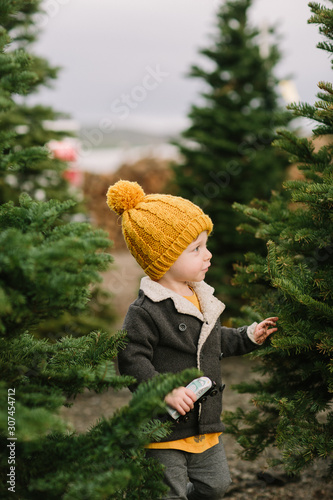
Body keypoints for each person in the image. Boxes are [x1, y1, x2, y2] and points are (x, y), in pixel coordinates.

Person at [106, 180, 278, 500]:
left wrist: (248, 336)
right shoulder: (146, 310)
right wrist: (164, 391)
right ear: (163, 259)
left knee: (216, 485)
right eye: (195, 249)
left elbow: (212, 341)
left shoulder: (201, 298)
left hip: (205, 423)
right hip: (164, 428)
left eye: (205, 245)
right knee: (167, 493)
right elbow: (131, 359)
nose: (208, 255)